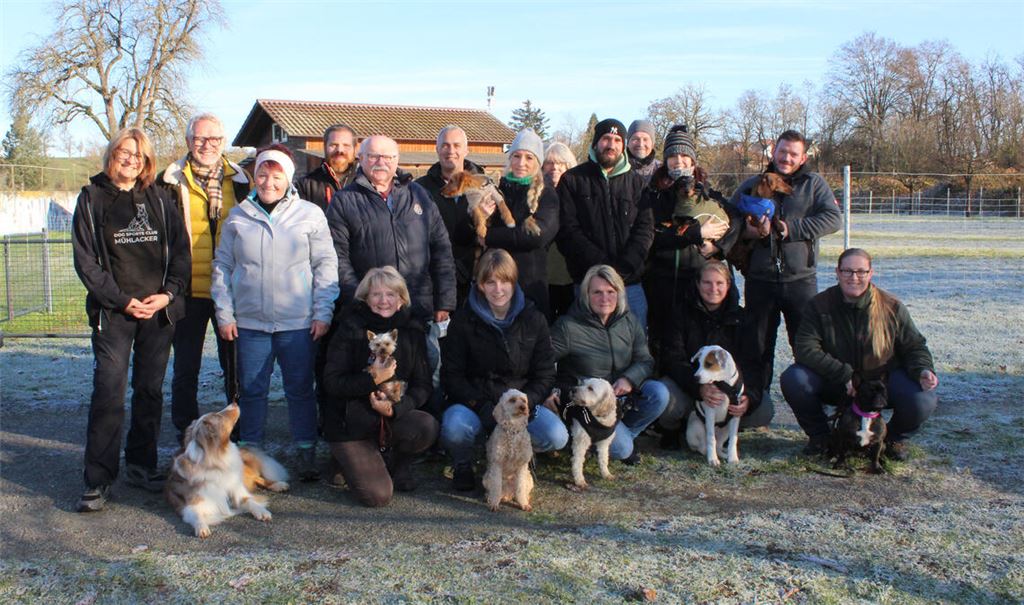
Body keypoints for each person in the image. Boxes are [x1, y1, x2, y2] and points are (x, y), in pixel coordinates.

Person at [71, 128, 191, 512]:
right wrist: (122, 301)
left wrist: (168, 295)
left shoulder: (160, 198)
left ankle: (141, 464)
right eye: (124, 152)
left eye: (137, 155)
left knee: (149, 391)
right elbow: (86, 262)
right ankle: (98, 479)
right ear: (112, 155)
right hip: (114, 314)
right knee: (109, 391)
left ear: (146, 161)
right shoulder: (91, 199)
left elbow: (181, 254)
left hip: (157, 313)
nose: (130, 160)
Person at [210, 145, 339, 481]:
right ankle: (251, 454)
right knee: (252, 390)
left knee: (300, 389)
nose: (268, 181)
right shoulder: (238, 215)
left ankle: (306, 452)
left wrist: (322, 311)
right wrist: (225, 313)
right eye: (263, 174)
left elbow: (325, 264)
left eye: (276, 174)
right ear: (255, 176)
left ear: (288, 178)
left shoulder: (309, 214)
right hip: (251, 323)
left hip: (298, 323)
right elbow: (223, 266)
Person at [781, 248, 939, 459]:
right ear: (837, 272)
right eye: (847, 271)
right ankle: (821, 437)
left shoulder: (892, 307)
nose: (854, 277)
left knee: (923, 399)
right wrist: (844, 374)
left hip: (881, 384)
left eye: (860, 271)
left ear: (870, 273)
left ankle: (890, 439)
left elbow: (915, 346)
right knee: (794, 379)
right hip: (837, 382)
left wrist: (923, 370)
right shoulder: (819, 305)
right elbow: (805, 349)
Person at [159, 113, 252, 443]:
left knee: (234, 367)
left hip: (230, 291)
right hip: (187, 290)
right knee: (186, 368)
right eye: (200, 139)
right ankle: (185, 430)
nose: (206, 145)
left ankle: (237, 429)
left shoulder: (241, 181)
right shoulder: (168, 182)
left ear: (222, 143)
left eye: (214, 140)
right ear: (188, 142)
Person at [440, 249, 563, 491]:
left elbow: (546, 373)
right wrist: (482, 406)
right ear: (480, 285)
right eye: (491, 282)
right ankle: (464, 463)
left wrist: (527, 403)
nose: (498, 289)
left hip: (521, 403)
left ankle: (517, 461)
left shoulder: (534, 319)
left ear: (514, 282)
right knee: (454, 427)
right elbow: (451, 375)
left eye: (505, 281)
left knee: (556, 436)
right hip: (477, 402)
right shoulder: (463, 321)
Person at [729, 129, 841, 393]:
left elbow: (833, 219)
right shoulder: (751, 185)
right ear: (774, 152)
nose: (786, 158)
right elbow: (729, 222)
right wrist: (748, 232)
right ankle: (757, 405)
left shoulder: (814, 184)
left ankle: (811, 404)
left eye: (793, 154)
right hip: (760, 280)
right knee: (757, 348)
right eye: (782, 152)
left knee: (807, 347)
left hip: (800, 280)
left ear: (802, 158)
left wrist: (791, 229)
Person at [321, 267, 439, 506]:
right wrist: (372, 379)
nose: (383, 301)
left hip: (389, 416)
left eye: (391, 294)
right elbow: (331, 382)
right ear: (365, 298)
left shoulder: (412, 331)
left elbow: (423, 385)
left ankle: (395, 461)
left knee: (426, 426)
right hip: (350, 423)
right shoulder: (348, 328)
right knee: (378, 497)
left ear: (401, 300)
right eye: (376, 295)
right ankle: (343, 459)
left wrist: (395, 408)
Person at [546, 265, 669, 464]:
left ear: (619, 294)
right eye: (597, 292)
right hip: (587, 403)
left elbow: (645, 361)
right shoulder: (568, 326)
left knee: (659, 394)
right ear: (586, 294)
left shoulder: (629, 321)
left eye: (611, 292)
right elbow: (542, 361)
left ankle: (610, 439)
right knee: (623, 449)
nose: (605, 299)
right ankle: (612, 442)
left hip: (620, 398)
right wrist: (549, 390)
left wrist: (629, 379)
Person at [642, 124, 734, 364]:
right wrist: (695, 232)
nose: (679, 161)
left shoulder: (708, 193)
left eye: (684, 156)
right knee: (660, 344)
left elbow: (737, 223)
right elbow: (650, 237)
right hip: (660, 283)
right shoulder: (653, 195)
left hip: (695, 283)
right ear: (665, 160)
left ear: (693, 161)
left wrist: (718, 247)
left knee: (695, 343)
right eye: (673, 156)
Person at [658, 262, 771, 449]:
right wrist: (699, 388)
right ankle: (675, 428)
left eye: (719, 283)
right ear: (697, 284)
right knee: (664, 395)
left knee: (765, 409)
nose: (713, 289)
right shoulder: (680, 313)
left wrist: (749, 397)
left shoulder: (742, 318)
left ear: (728, 285)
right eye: (707, 283)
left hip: (726, 392)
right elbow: (672, 358)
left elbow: (752, 363)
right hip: (690, 385)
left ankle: (725, 428)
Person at [557, 119, 653, 329]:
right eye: (606, 139)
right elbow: (568, 231)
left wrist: (622, 270)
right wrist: (602, 270)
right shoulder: (572, 180)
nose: (611, 145)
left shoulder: (637, 183)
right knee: (589, 351)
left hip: (630, 285)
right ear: (595, 142)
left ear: (623, 144)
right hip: (588, 284)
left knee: (635, 347)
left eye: (617, 140)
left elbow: (644, 231)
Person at [480, 128, 559, 317]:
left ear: (538, 162)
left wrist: (489, 236)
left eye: (529, 157)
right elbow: (468, 232)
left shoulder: (547, 194)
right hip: (496, 286)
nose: (521, 163)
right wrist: (480, 217)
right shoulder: (497, 191)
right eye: (516, 156)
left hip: (529, 286)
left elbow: (535, 236)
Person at [415, 125, 485, 308]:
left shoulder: (484, 186)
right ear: (437, 149)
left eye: (456, 145)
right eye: (445, 145)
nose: (451, 151)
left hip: (477, 280)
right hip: (434, 282)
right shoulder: (418, 189)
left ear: (466, 150)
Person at [542, 142, 577, 320]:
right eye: (550, 162)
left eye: (560, 163)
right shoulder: (536, 195)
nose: (555, 167)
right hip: (543, 276)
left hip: (570, 276)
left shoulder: (576, 195)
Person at [295, 123, 359, 213]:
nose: (340, 150)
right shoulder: (305, 186)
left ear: (355, 149)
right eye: (333, 145)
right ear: (324, 147)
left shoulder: (367, 182)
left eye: (346, 145)